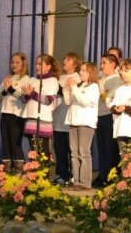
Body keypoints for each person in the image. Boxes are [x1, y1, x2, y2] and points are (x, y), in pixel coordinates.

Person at [65, 62, 100, 190]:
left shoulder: (94, 87)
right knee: (74, 153)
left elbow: (85, 102)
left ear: (91, 73)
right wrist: (67, 88)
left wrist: (74, 87)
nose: (80, 72)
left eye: (84, 70)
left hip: (85, 123)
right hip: (73, 122)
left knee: (83, 153)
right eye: (80, 70)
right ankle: (77, 181)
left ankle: (85, 182)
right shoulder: (78, 86)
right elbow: (68, 101)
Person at [0, 52, 30, 173]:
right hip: (5, 114)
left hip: (17, 115)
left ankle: (19, 171)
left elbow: (23, 97)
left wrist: (10, 89)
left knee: (15, 143)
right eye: (12, 62)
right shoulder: (7, 78)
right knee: (6, 143)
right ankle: (7, 171)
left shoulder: (26, 79)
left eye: (17, 62)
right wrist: (5, 90)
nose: (14, 65)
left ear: (23, 63)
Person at [21, 54, 60, 157]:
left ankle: (44, 168)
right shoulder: (32, 80)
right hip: (31, 117)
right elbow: (23, 99)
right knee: (33, 150)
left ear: (48, 66)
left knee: (43, 150)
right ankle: (33, 167)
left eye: (40, 64)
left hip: (43, 119)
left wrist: (32, 93)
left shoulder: (53, 81)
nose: (36, 66)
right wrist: (26, 95)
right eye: (36, 64)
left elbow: (48, 100)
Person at [93, 54, 123, 187]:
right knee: (102, 148)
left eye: (104, 63)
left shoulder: (117, 79)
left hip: (109, 116)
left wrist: (100, 89)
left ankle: (111, 176)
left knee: (110, 148)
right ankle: (103, 174)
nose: (101, 66)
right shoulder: (101, 78)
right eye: (101, 63)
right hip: (99, 115)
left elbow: (110, 97)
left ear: (113, 64)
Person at [52, 52, 82, 185]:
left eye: (68, 59)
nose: (64, 60)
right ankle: (62, 174)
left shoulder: (78, 78)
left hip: (71, 120)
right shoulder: (60, 78)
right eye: (64, 58)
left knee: (73, 150)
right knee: (59, 149)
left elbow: (70, 98)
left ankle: (75, 175)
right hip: (58, 118)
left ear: (75, 64)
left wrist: (64, 88)